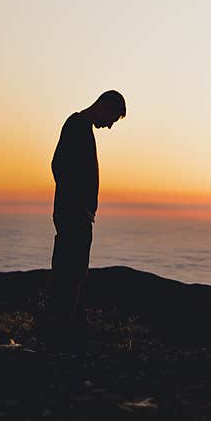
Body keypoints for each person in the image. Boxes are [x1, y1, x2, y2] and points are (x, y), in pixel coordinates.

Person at [43, 90, 126, 347]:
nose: (110, 125)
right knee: (70, 273)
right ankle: (60, 334)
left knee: (73, 274)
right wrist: (77, 204)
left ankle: (64, 331)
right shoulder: (77, 126)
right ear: (103, 105)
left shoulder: (80, 127)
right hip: (74, 215)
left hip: (75, 214)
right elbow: (59, 165)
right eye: (112, 117)